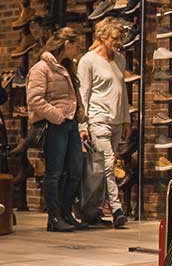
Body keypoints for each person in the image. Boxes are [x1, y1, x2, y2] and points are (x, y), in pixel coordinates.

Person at [26, 27, 86, 232]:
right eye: (76, 45)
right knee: (54, 172)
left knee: (76, 170)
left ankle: (66, 212)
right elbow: (34, 100)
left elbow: (73, 94)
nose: (78, 49)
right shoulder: (41, 68)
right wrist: (57, 116)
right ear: (66, 45)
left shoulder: (67, 66)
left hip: (70, 124)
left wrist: (80, 110)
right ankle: (54, 217)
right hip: (55, 125)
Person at [78, 18, 130, 229]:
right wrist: (83, 126)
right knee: (108, 164)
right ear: (103, 37)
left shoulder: (120, 60)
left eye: (121, 38)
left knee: (98, 169)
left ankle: (90, 212)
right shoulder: (88, 61)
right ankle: (117, 209)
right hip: (98, 118)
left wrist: (127, 118)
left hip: (117, 120)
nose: (119, 42)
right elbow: (83, 95)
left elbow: (123, 90)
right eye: (115, 38)